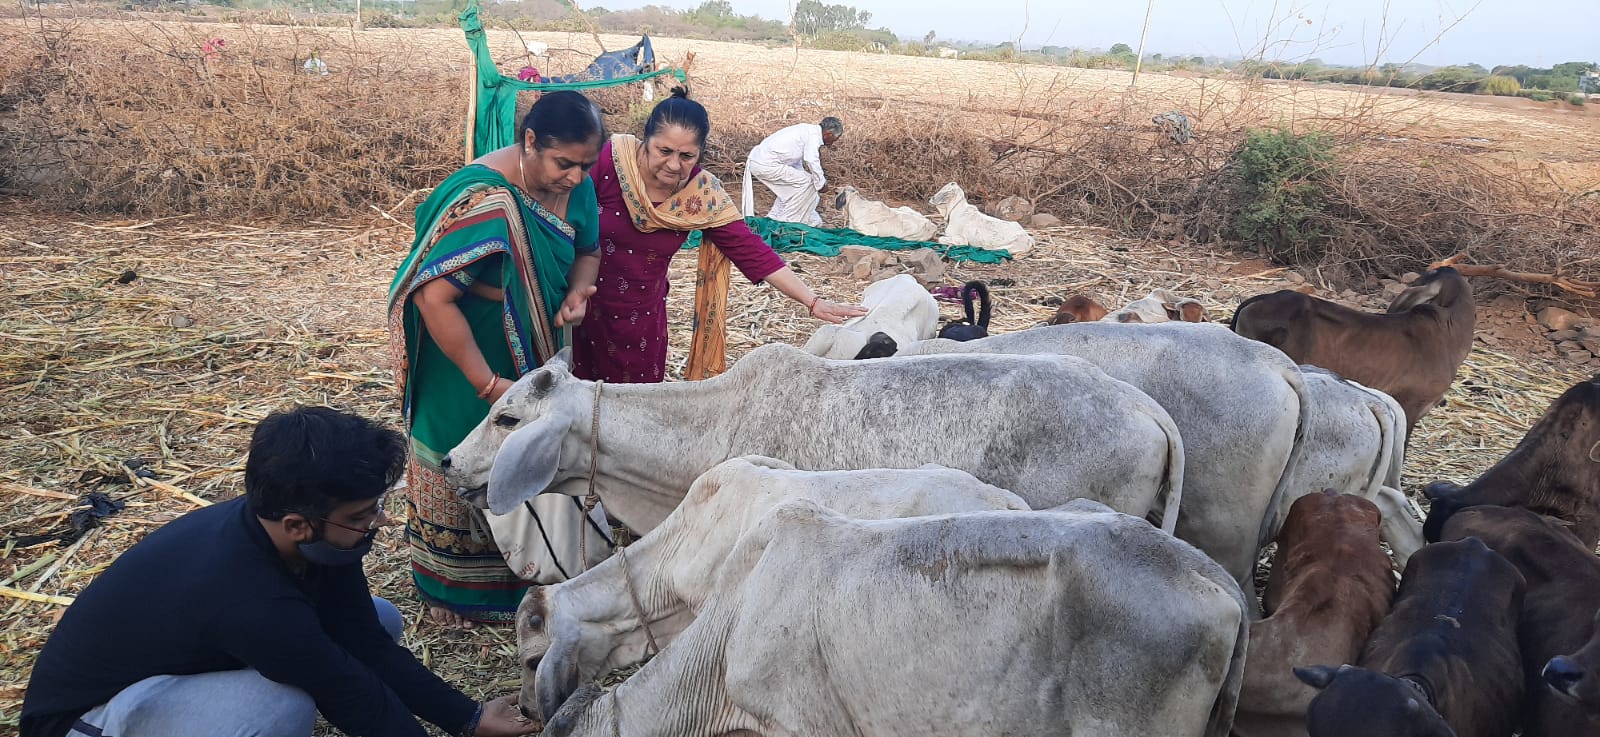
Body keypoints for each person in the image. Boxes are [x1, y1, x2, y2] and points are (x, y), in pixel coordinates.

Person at [20, 407, 537, 737]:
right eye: (362, 515)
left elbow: (364, 643)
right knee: (279, 708)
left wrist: (467, 720)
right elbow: (346, 689)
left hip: (170, 674)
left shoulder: (306, 537)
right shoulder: (247, 598)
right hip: (83, 721)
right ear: (299, 524)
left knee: (380, 621)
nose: (379, 521)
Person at [388, 90, 612, 630]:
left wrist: (579, 292)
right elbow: (432, 298)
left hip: (535, 350)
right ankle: (452, 590)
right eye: (564, 163)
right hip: (465, 359)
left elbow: (588, 249)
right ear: (529, 141)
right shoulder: (482, 198)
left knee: (527, 456)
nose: (576, 178)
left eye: (586, 165)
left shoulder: (574, 187)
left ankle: (531, 576)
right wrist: (488, 386)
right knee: (459, 449)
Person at [574, 89, 864, 383]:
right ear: (645, 140)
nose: (674, 165)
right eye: (664, 151)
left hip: (640, 325)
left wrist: (813, 302)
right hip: (577, 308)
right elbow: (559, 214)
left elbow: (751, 249)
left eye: (687, 156)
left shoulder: (701, 194)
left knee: (633, 410)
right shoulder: (608, 162)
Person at [740, 116, 844, 225]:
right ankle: (787, 224)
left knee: (796, 190)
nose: (833, 143)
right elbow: (811, 159)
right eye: (834, 139)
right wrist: (821, 183)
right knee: (808, 183)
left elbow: (794, 161)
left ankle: (774, 218)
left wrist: (815, 181)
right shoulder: (813, 136)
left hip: (761, 161)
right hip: (766, 164)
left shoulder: (807, 131)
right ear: (828, 134)